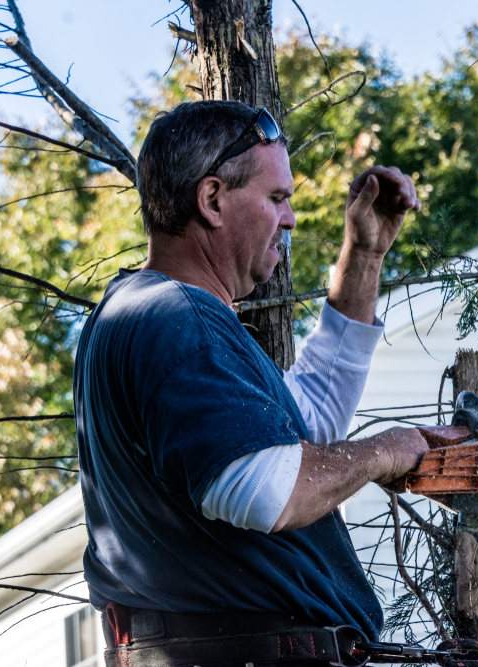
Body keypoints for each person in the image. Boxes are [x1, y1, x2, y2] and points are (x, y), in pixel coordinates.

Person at [73, 100, 430, 665]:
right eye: (276, 198)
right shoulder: (177, 319)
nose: (289, 219)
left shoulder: (139, 312)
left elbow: (305, 421)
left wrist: (364, 254)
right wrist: (389, 450)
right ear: (212, 199)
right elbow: (268, 489)